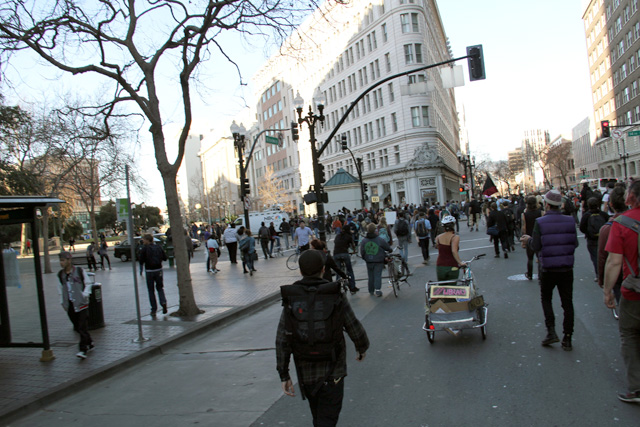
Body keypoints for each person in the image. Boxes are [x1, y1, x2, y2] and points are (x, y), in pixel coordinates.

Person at [276, 250, 369, 426]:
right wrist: (361, 347)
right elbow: (352, 325)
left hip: (306, 371)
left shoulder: (292, 298)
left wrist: (284, 373)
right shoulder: (334, 295)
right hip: (333, 370)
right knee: (327, 418)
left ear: (301, 271)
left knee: (318, 416)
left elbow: (282, 338)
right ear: (323, 269)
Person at [521, 190, 579, 351]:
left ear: (546, 204)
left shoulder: (541, 222)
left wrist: (529, 239)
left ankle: (551, 331)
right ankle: (568, 337)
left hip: (548, 268)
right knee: (567, 303)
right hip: (566, 267)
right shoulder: (569, 221)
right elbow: (575, 243)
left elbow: (536, 246)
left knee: (546, 299)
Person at [603, 179, 640, 403]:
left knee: (630, 335)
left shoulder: (622, 223)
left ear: (631, 198)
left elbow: (613, 262)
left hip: (633, 291)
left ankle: (636, 388)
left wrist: (608, 291)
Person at [57, 251, 94, 359]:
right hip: (70, 304)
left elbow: (88, 283)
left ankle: (83, 350)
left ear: (69, 260)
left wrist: (85, 295)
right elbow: (60, 289)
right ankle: (90, 342)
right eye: (60, 261)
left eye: (63, 260)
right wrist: (62, 302)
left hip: (81, 303)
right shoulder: (60, 275)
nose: (61, 263)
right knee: (78, 327)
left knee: (82, 326)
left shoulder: (79, 271)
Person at [598, 185, 627, 317]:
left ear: (611, 204)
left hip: (621, 274)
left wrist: (604, 284)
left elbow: (605, 258)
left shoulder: (608, 228)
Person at [138, 234, 168, 316]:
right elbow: (165, 257)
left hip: (149, 271)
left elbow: (141, 261)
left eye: (143, 239)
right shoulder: (158, 247)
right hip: (159, 270)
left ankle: (154, 309)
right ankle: (163, 302)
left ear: (147, 240)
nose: (142, 241)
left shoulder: (144, 249)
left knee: (151, 290)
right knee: (160, 288)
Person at [580, 197, 609, 281]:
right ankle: (607, 272)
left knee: (595, 257)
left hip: (592, 239)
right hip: (604, 239)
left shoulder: (586, 215)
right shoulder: (603, 214)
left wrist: (588, 233)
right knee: (605, 256)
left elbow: (582, 227)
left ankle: (598, 274)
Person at [360, 223, 392, 297]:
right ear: (375, 230)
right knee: (377, 275)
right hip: (378, 260)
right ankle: (377, 289)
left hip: (369, 260)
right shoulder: (379, 239)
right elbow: (387, 247)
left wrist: (365, 258)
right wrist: (390, 250)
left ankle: (371, 290)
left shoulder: (364, 241)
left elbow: (362, 251)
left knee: (370, 275)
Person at [435, 215, 466, 281]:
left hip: (440, 266)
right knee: (451, 288)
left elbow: (438, 248)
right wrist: (460, 262)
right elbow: (454, 251)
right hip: (452, 265)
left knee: (442, 288)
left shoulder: (438, 237)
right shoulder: (455, 237)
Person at [521, 196, 542, 280]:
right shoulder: (541, 212)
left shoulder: (524, 214)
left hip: (529, 237)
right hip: (540, 236)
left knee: (530, 258)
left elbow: (523, 227)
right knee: (540, 257)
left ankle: (529, 274)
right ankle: (540, 274)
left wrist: (523, 239)